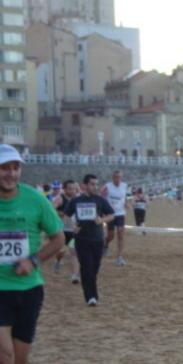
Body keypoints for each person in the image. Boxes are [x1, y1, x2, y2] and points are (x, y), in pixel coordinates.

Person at [0, 144, 65, 363]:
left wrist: (33, 260)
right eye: (4, 168)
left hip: (29, 289)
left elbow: (59, 238)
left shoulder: (35, 199)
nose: (11, 173)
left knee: (20, 357)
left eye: (15, 168)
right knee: (5, 354)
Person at [65, 174, 115, 307]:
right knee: (86, 267)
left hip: (98, 239)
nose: (95, 186)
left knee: (94, 269)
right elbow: (66, 215)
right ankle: (91, 297)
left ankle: (91, 293)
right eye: (92, 184)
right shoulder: (75, 201)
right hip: (82, 239)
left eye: (96, 184)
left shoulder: (100, 200)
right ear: (84, 185)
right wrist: (73, 226)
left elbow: (111, 215)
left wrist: (101, 220)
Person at [52, 179, 81, 283]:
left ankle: (75, 275)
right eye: (70, 189)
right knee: (61, 252)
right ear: (64, 189)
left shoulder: (78, 199)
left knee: (74, 252)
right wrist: (60, 213)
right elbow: (51, 209)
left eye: (74, 188)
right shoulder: (60, 198)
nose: (72, 191)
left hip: (74, 230)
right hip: (62, 230)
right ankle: (58, 260)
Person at [102, 170, 128, 265]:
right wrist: (104, 209)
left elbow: (123, 198)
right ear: (113, 177)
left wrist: (126, 204)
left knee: (120, 234)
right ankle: (105, 243)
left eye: (119, 177)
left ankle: (119, 257)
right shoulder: (107, 186)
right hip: (111, 214)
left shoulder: (124, 186)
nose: (118, 179)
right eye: (116, 177)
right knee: (111, 235)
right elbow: (101, 196)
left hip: (121, 213)